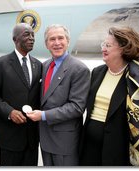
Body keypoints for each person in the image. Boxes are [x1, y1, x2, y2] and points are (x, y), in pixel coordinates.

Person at [26, 24, 90, 166]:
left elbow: (76, 107)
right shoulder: (45, 65)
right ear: (46, 44)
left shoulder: (79, 69)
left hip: (64, 141)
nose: (57, 43)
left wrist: (43, 115)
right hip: (45, 138)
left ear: (67, 41)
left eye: (60, 38)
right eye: (52, 39)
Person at [79, 27, 139, 166]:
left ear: (123, 49)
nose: (103, 49)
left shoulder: (135, 78)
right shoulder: (97, 72)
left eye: (108, 45)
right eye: (103, 44)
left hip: (116, 149)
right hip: (89, 146)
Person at [0, 23, 42, 166]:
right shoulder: (0, 64)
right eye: (26, 34)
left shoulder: (38, 65)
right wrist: (10, 112)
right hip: (10, 137)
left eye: (33, 35)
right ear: (15, 39)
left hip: (31, 138)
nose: (31, 38)